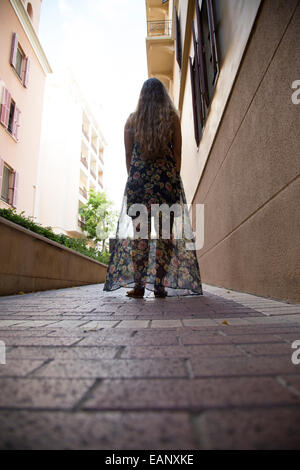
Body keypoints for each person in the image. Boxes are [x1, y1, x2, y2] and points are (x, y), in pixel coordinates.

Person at [103, 78, 203, 298]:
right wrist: (171, 177)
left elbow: (129, 155)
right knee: (165, 235)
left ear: (142, 96)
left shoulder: (132, 121)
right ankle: (159, 285)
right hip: (165, 184)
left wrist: (137, 177)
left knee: (140, 236)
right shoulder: (172, 119)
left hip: (139, 184)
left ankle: (139, 286)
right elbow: (178, 154)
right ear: (163, 96)